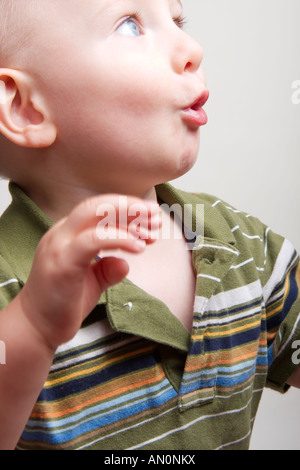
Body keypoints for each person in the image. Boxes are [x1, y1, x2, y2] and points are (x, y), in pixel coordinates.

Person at [0, 0, 299, 451]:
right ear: (25, 107)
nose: (192, 47)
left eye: (178, 21)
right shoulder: (9, 290)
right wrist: (35, 329)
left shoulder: (243, 246)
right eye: (130, 25)